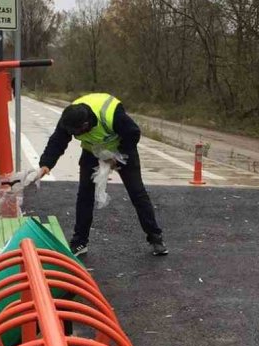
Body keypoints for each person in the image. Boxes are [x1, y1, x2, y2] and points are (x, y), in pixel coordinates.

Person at [37, 93, 168, 257]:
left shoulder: (112, 114)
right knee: (85, 195)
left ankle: (156, 238)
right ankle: (79, 243)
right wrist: (45, 165)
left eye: (77, 132)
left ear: (86, 124)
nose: (74, 135)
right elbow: (57, 141)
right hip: (92, 151)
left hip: (122, 148)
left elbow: (133, 133)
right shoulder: (69, 118)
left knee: (137, 192)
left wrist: (117, 158)